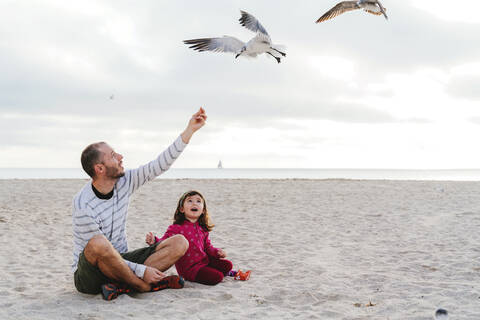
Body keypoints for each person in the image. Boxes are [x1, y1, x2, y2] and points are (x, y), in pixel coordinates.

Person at [72, 107, 207, 300]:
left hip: (123, 262)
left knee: (180, 242)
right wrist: (142, 272)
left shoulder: (125, 181)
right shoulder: (83, 204)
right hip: (91, 275)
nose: (120, 157)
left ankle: (120, 286)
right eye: (113, 156)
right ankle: (141, 287)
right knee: (99, 243)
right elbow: (98, 252)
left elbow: (160, 164)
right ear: (100, 168)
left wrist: (189, 131)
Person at [145, 190, 249, 285]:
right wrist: (154, 240)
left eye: (198, 201)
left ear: (203, 210)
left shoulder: (202, 228)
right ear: (182, 209)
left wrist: (217, 252)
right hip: (190, 269)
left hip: (204, 262)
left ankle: (218, 271)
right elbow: (165, 241)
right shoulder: (176, 228)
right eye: (190, 201)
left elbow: (208, 247)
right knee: (218, 277)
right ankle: (206, 274)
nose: (194, 203)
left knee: (228, 265)